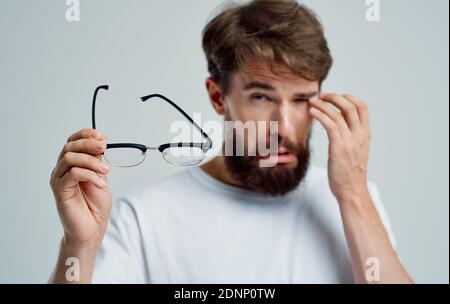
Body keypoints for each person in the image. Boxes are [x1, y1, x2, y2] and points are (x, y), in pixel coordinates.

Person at [49, 0, 413, 284]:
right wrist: (78, 244)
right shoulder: (143, 219)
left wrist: (353, 193)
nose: (284, 127)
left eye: (302, 99)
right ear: (218, 97)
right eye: (261, 96)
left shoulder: (354, 202)